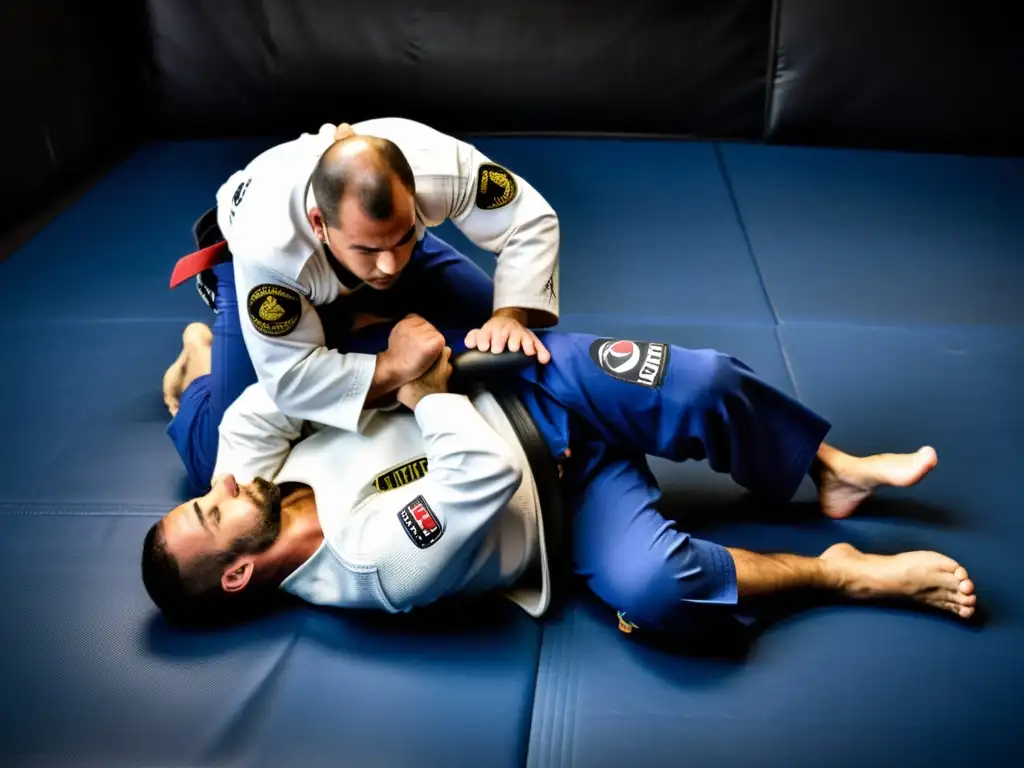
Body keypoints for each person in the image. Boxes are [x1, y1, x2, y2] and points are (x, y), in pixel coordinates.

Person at [143, 316, 977, 635]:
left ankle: (828, 468)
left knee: (707, 385)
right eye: (212, 515)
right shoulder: (370, 568)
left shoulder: (242, 481)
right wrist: (415, 386)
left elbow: (264, 410)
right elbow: (476, 479)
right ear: (243, 571)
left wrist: (382, 374)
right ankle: (838, 576)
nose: (222, 489)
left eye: (205, 498)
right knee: (656, 592)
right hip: (562, 502)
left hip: (526, 383)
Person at [165, 117, 559, 491]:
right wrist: (392, 366)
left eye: (402, 238)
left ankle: (379, 260)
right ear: (320, 224)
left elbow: (527, 220)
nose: (388, 266)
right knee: (218, 463)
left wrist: (510, 316)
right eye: (370, 250)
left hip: (364, 234)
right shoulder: (270, 248)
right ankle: (199, 364)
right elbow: (290, 379)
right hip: (261, 269)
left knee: (502, 338)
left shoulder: (436, 168)